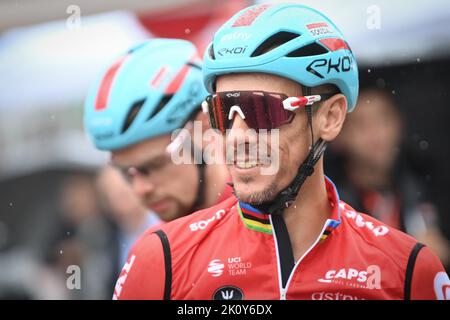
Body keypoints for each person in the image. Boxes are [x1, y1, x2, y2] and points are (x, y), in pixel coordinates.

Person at [113, 4, 449, 300]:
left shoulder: (407, 270)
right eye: (222, 112)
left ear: (330, 118)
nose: (237, 137)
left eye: (262, 111)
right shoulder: (161, 258)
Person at [84, 39, 232, 222]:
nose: (140, 189)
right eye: (127, 173)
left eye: (155, 165)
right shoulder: (152, 246)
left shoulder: (270, 225)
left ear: (206, 127)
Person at [330, 87, 450, 266]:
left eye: (383, 120)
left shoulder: (429, 182)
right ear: (339, 135)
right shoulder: (329, 200)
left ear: (399, 123)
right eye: (361, 125)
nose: (376, 134)